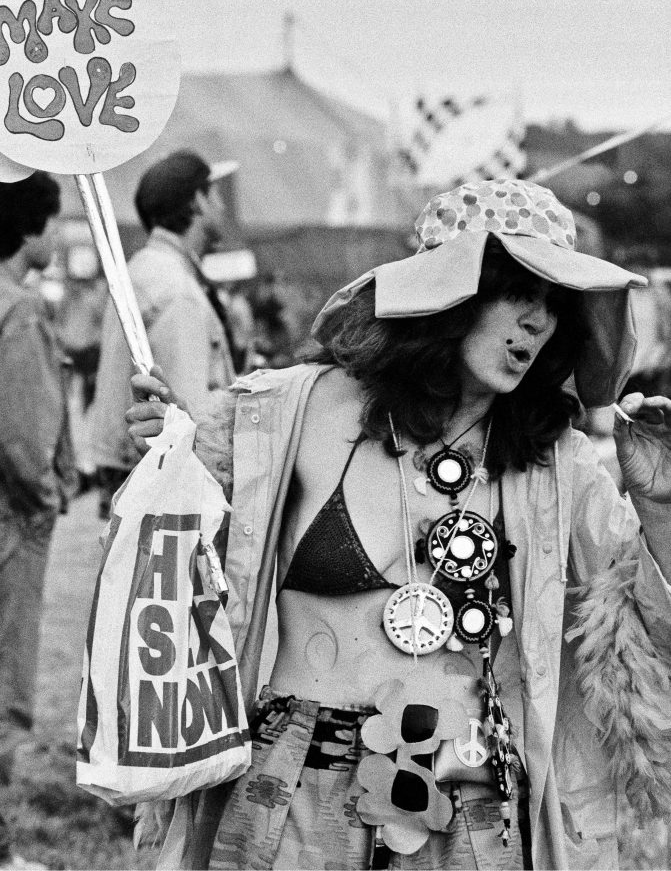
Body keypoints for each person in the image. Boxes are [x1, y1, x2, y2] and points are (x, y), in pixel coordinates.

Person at [126, 179, 671, 871]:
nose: (537, 323)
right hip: (292, 795)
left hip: (466, 801)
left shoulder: (551, 458)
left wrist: (657, 507)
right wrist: (173, 454)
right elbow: (177, 574)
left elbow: (643, 640)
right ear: (448, 294)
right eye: (517, 294)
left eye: (553, 306)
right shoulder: (287, 412)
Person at [91, 150, 241, 517]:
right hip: (162, 480)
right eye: (215, 195)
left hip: (131, 470)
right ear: (198, 201)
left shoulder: (143, 271)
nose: (221, 207)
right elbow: (187, 414)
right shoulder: (177, 290)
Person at [0, 172, 76, 869]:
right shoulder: (20, 308)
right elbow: (25, 436)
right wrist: (49, 496)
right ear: (29, 227)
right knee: (6, 690)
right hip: (12, 525)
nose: (57, 238)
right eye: (54, 223)